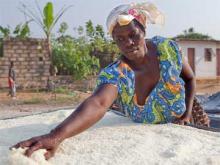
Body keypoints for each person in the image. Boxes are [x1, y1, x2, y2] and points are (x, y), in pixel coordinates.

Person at [11, 2, 209, 160]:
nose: (128, 43)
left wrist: (187, 113)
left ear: (143, 29)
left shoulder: (167, 49)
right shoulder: (117, 73)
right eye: (120, 39)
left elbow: (189, 79)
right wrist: (55, 136)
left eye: (133, 35)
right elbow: (99, 103)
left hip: (187, 119)